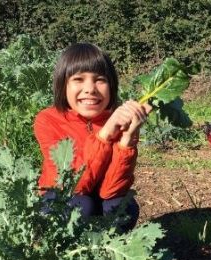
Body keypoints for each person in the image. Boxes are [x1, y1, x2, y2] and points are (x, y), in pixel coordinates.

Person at [33, 42, 151, 231]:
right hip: (62, 195)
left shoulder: (119, 121)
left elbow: (111, 190)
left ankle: (109, 251)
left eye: (100, 80)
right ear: (63, 85)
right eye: (78, 79)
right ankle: (66, 253)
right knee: (81, 205)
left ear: (111, 86)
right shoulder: (47, 120)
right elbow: (74, 185)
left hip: (99, 196)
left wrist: (127, 139)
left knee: (122, 207)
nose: (90, 89)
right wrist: (104, 135)